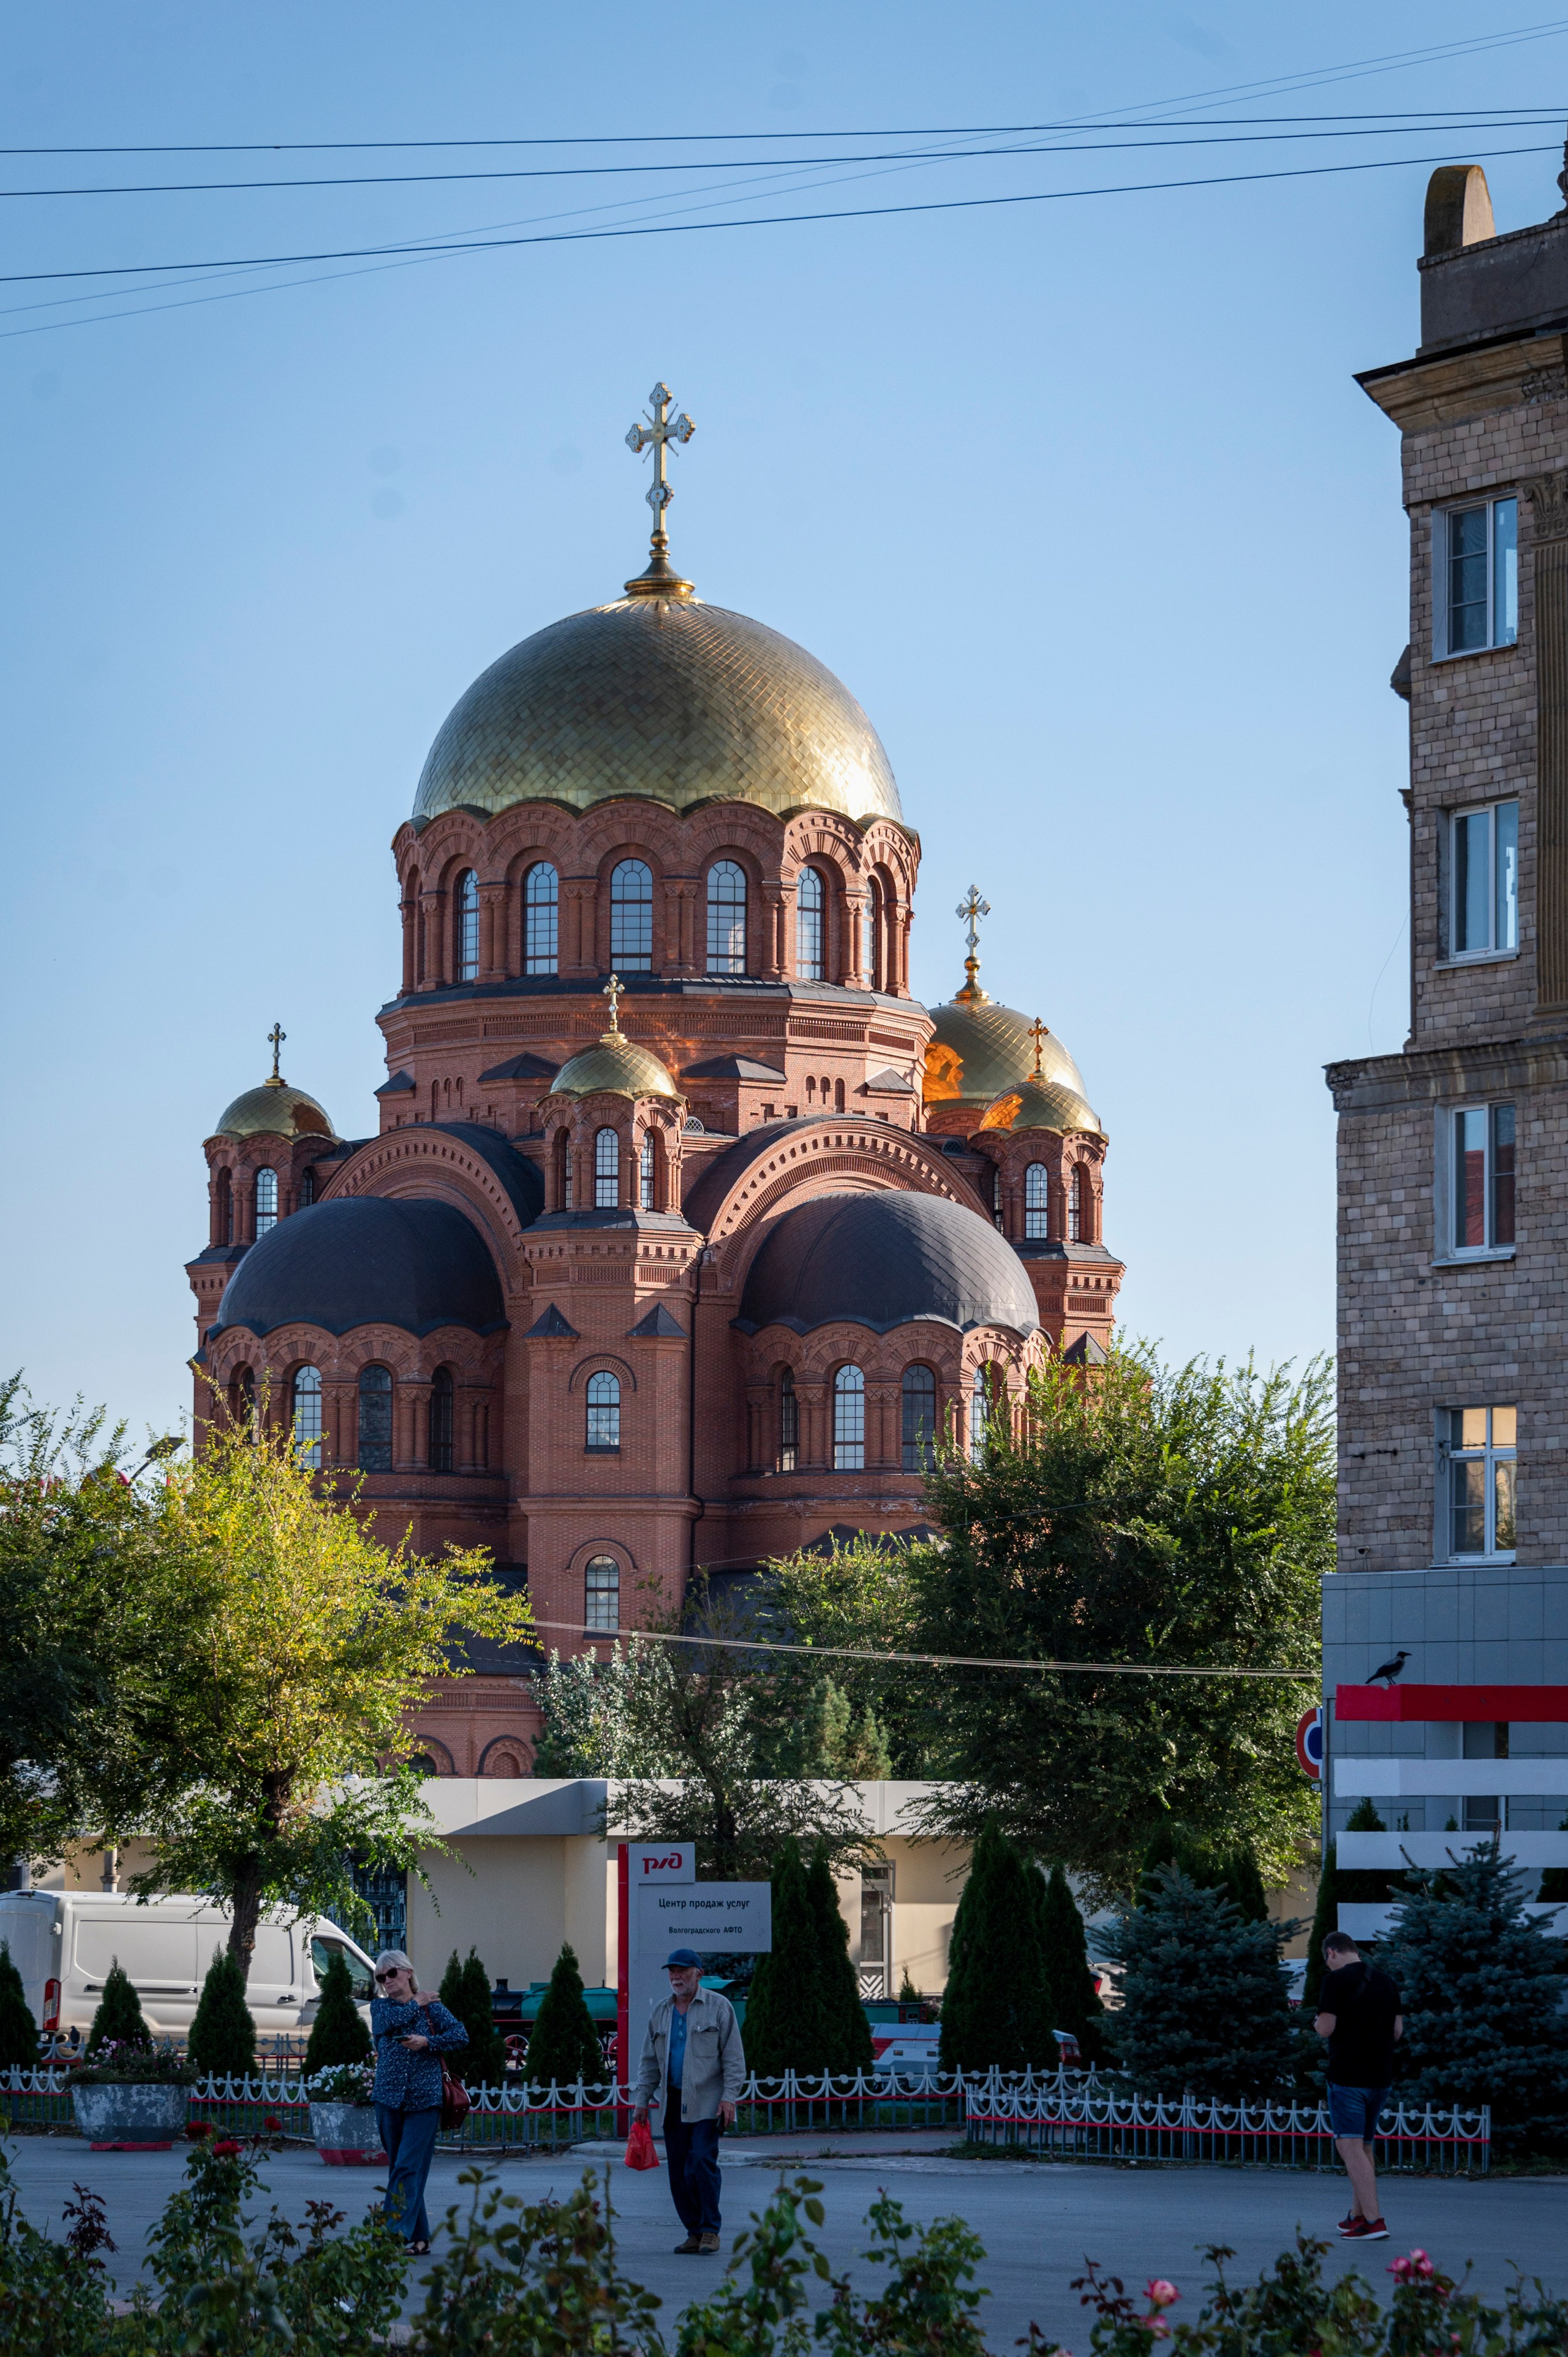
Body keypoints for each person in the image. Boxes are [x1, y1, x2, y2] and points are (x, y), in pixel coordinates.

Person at [633, 1946, 746, 2254]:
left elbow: (734, 2060)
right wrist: (642, 2101)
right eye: (672, 1971)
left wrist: (729, 2099)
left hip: (708, 2102)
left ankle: (711, 2230)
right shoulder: (661, 2012)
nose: (676, 1976)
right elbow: (649, 2062)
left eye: (683, 1970)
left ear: (699, 1974)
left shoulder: (719, 2007)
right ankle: (694, 2232)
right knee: (679, 2172)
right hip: (672, 2102)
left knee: (701, 2163)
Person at [369, 1948, 468, 2257]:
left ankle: (390, 2235)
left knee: (408, 2167)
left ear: (407, 1972)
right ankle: (420, 2236)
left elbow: (461, 2035)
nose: (387, 1982)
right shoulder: (380, 2008)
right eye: (381, 1977)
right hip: (388, 2098)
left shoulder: (432, 2009)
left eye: (392, 1974)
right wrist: (415, 2002)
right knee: (401, 2170)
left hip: (425, 2100)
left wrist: (428, 2042)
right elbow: (385, 2026)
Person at [1314, 1929, 1403, 2241]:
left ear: (1331, 1953)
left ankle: (1376, 2221)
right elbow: (1397, 2030)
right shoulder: (1386, 1980)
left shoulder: (1335, 1981)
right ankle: (1358, 2216)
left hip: (1348, 2077)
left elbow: (1326, 2029)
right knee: (1363, 2146)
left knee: (1348, 2147)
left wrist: (1316, 2024)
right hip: (1381, 2077)